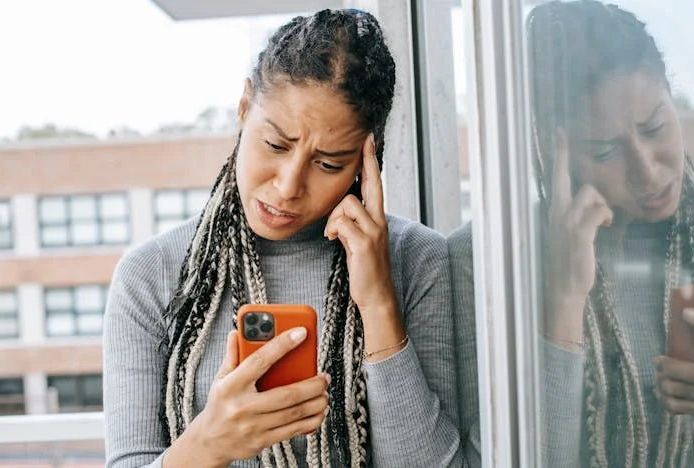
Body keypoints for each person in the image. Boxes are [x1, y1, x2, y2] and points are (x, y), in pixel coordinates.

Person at [103, 9, 464, 468]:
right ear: (243, 107)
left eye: (329, 163)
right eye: (275, 145)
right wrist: (209, 445)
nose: (289, 186)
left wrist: (378, 305)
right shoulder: (151, 275)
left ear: (366, 159)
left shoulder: (418, 260)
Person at [450, 1, 694, 467]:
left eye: (655, 126)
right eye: (603, 151)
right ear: (551, 152)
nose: (647, 170)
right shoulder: (483, 259)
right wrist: (562, 297)